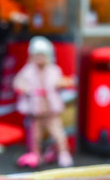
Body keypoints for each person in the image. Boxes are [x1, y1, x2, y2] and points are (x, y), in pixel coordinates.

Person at [13, 36, 74, 168]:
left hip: (51, 110)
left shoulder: (53, 70)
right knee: (35, 136)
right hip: (35, 110)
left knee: (58, 134)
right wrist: (25, 90)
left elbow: (59, 81)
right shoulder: (28, 71)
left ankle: (63, 153)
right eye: (37, 56)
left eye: (42, 56)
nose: (40, 59)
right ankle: (36, 154)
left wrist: (65, 83)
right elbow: (18, 83)